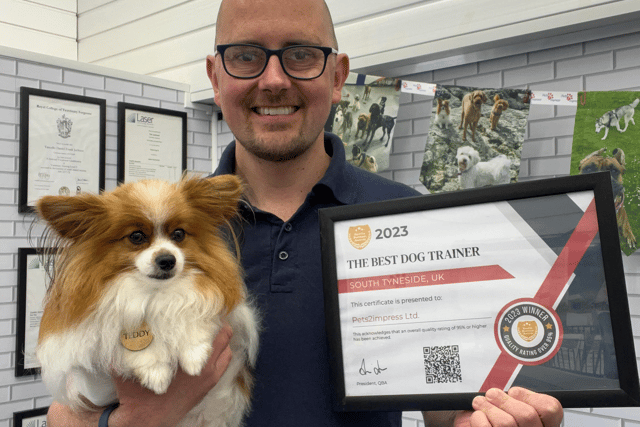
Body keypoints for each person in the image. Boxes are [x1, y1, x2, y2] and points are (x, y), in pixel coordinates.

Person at [47, 0, 564, 426]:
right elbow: (65, 407)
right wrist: (133, 422)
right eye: (246, 56)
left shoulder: (411, 218)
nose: (273, 80)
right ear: (215, 77)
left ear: (337, 76)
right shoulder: (151, 237)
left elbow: (445, 404)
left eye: (300, 55)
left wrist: (490, 418)